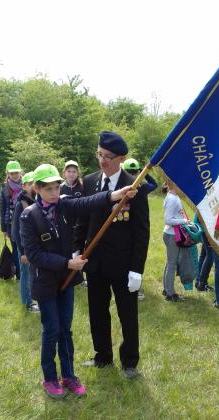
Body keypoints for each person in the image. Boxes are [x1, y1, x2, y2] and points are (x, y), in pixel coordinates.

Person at [20, 163, 135, 398]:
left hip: (67, 280)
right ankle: (50, 378)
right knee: (51, 330)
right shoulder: (28, 216)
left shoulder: (62, 205)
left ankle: (69, 376)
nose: (55, 193)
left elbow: (86, 203)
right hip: (45, 283)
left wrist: (114, 195)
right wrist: (67, 263)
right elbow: (33, 255)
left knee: (66, 331)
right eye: (49, 189)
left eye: (56, 187)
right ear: (37, 189)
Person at [77, 131, 150, 380]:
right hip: (94, 262)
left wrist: (136, 268)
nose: (102, 160)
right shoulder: (89, 181)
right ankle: (102, 356)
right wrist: (78, 249)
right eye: (99, 154)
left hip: (123, 264)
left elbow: (142, 231)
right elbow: (83, 220)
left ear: (121, 158)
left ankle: (129, 361)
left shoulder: (134, 186)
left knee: (127, 314)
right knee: (97, 311)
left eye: (108, 156)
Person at [123, 157, 157, 300]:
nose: (133, 175)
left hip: (128, 226)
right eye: (131, 172)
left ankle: (134, 287)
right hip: (130, 227)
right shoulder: (141, 187)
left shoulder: (128, 188)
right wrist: (144, 172)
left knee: (130, 257)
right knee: (131, 257)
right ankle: (130, 287)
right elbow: (154, 184)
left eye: (134, 172)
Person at [162, 180, 195, 301]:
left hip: (171, 233)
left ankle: (166, 289)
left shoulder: (172, 197)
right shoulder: (172, 199)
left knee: (170, 262)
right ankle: (170, 294)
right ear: (175, 184)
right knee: (172, 264)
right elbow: (168, 220)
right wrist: (185, 221)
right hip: (172, 235)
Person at [12, 171, 39, 312]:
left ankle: (32, 299)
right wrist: (22, 252)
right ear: (24, 186)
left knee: (32, 272)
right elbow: (16, 231)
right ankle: (28, 303)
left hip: (34, 245)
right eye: (30, 184)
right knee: (26, 273)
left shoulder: (36, 201)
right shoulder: (21, 204)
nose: (33, 186)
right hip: (24, 247)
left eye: (35, 183)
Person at [0, 160, 22, 280]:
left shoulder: (26, 184)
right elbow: (2, 209)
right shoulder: (4, 187)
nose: (14, 175)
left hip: (24, 221)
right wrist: (3, 228)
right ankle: (19, 274)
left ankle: (26, 272)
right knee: (15, 248)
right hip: (10, 224)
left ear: (20, 172)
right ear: (8, 173)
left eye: (16, 172)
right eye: (12, 173)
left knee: (25, 248)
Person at [194, 213, 214, 292]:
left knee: (204, 254)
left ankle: (198, 281)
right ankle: (202, 284)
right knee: (210, 255)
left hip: (202, 225)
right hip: (207, 226)